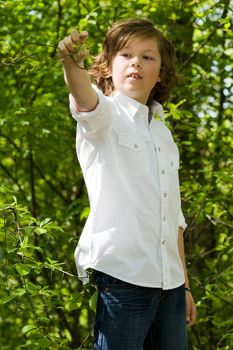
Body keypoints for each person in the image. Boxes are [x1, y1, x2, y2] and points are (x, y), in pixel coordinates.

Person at [58, 18, 196, 350]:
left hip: (172, 287)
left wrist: (186, 288)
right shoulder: (105, 118)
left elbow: (173, 217)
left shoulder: (162, 132)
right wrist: (71, 64)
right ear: (107, 67)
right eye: (126, 55)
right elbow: (84, 99)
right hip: (124, 279)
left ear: (160, 72)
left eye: (148, 57)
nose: (136, 62)